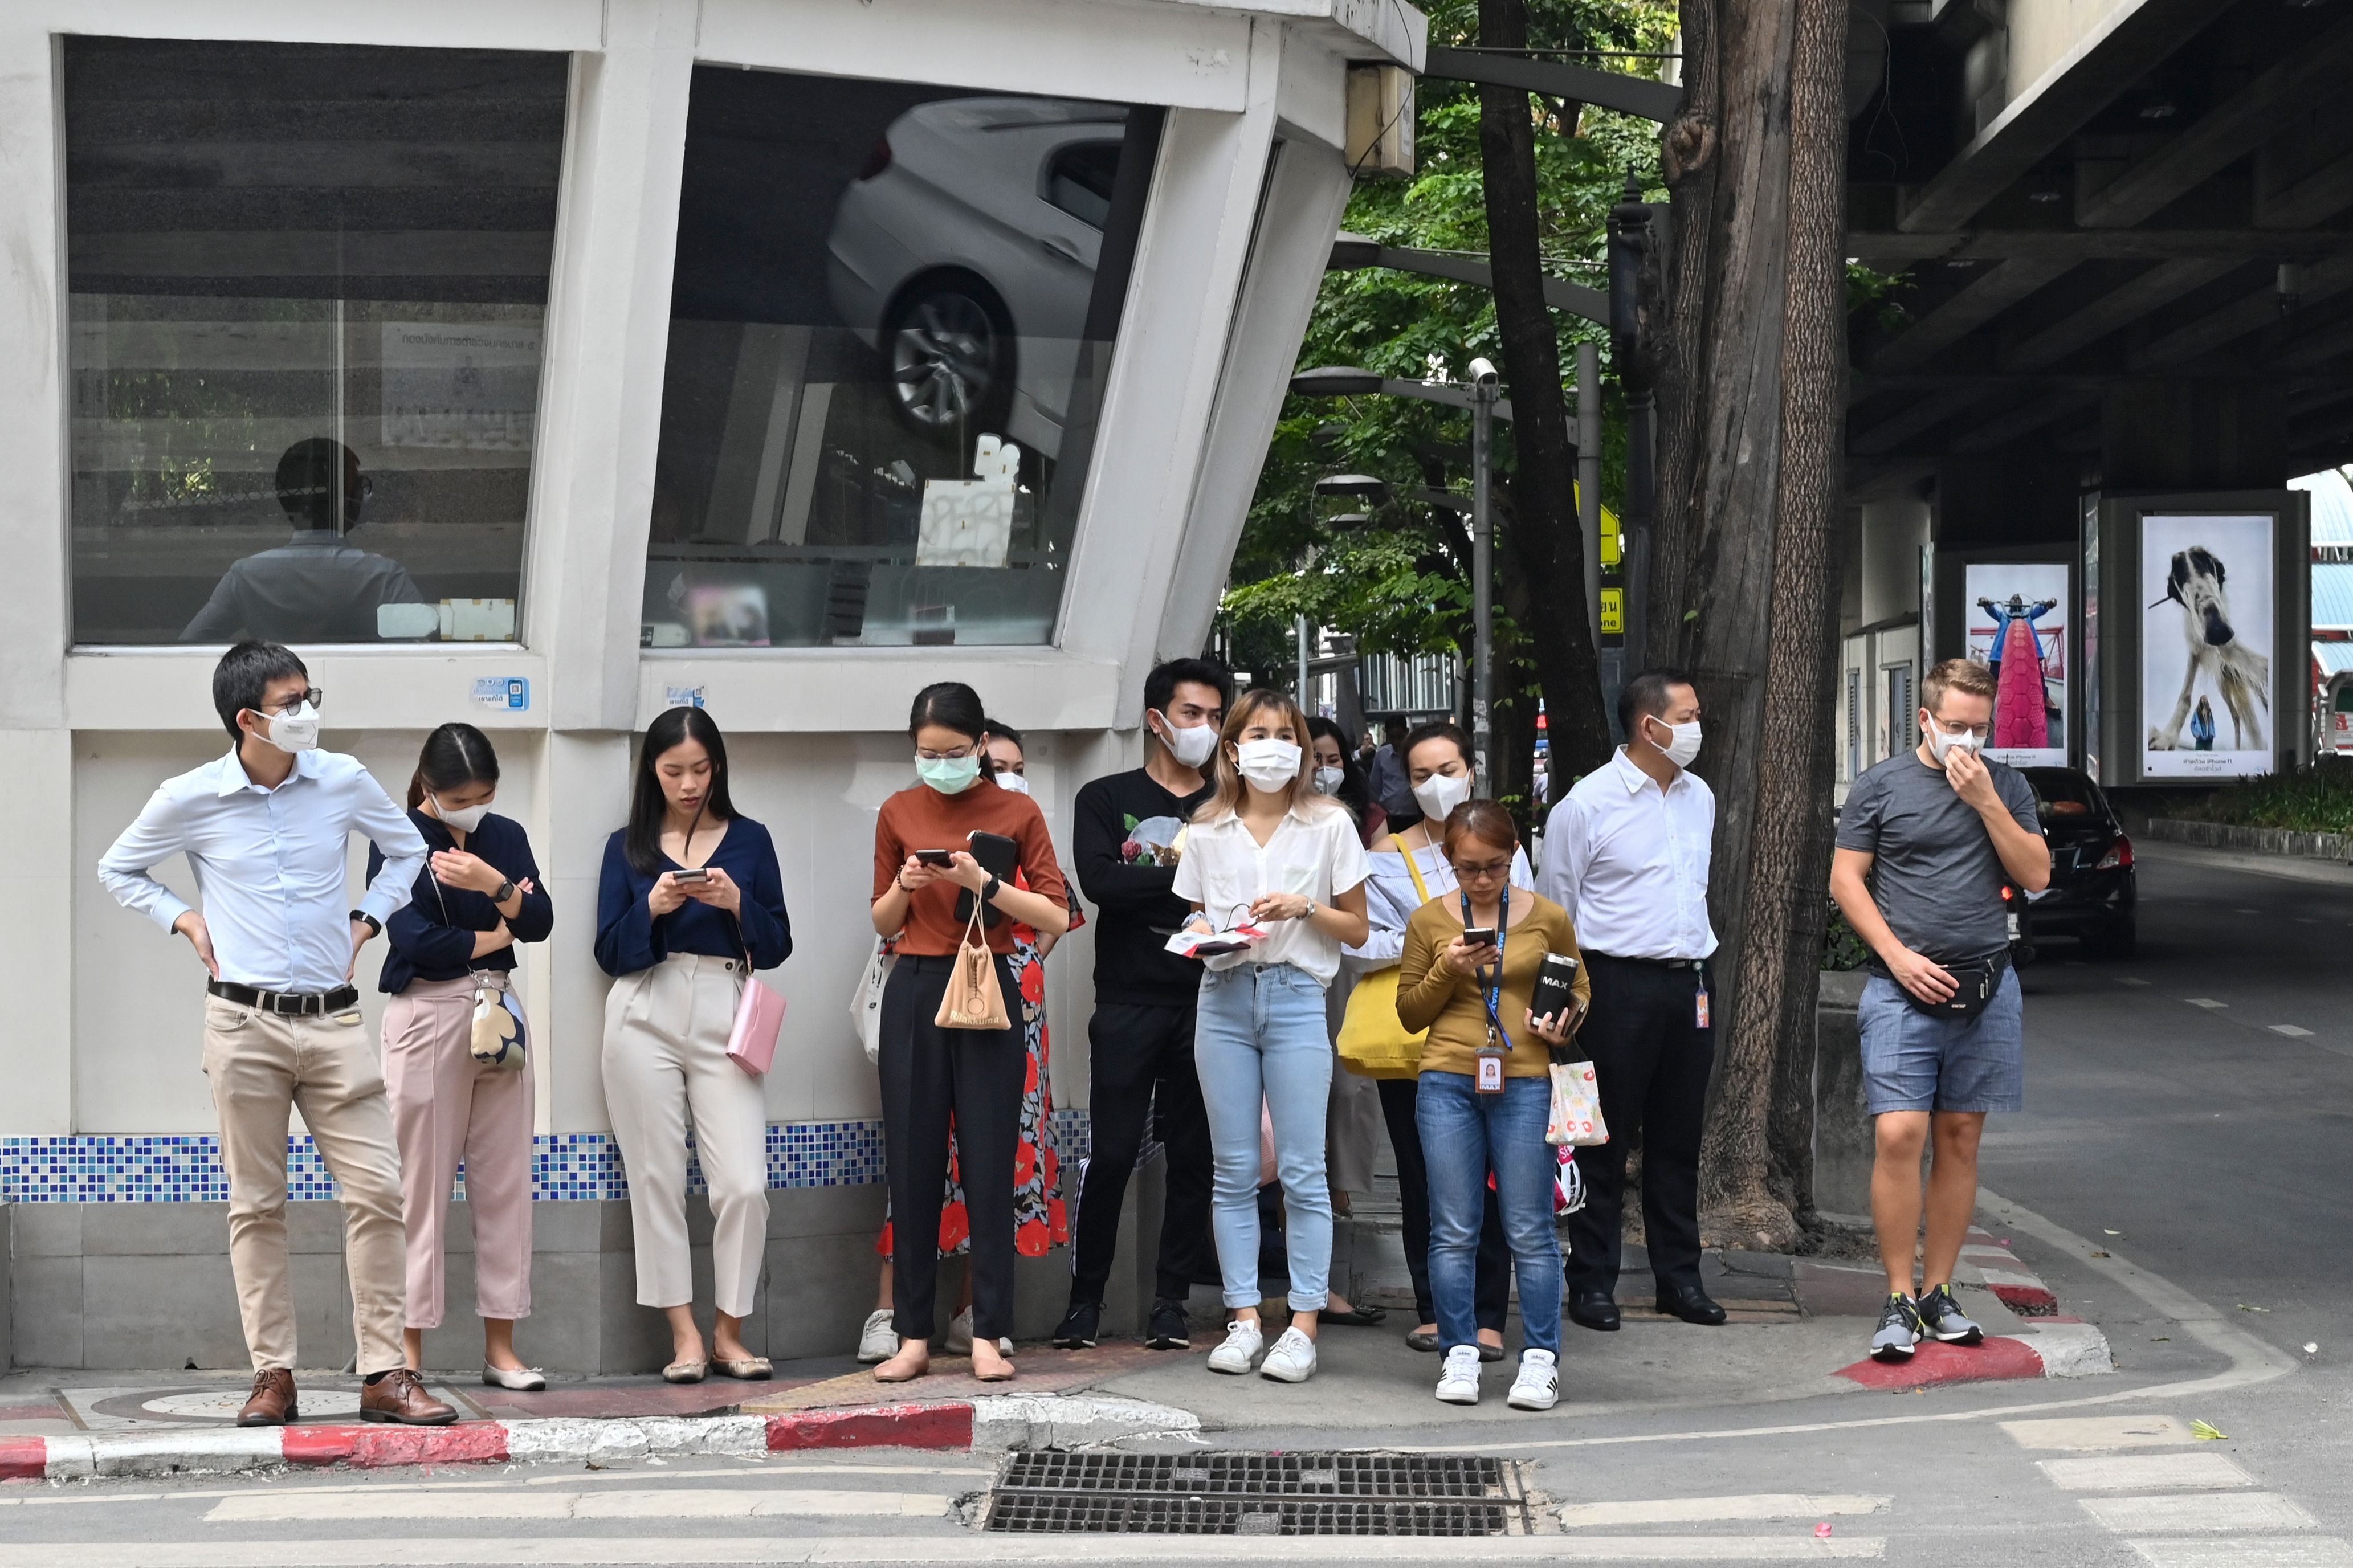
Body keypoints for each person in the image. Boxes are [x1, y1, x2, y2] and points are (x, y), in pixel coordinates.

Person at [95, 641, 454, 1426]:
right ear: (247, 719)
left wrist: (369, 919)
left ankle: (385, 1374)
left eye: (310, 695)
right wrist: (183, 917)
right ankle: (273, 1374)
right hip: (242, 1021)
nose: (309, 713)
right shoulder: (190, 797)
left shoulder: (343, 779)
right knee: (256, 1205)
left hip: (334, 1022)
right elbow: (118, 869)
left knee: (379, 1193)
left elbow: (408, 849)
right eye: (292, 703)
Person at [1830, 657, 2048, 1363]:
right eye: (1954, 726)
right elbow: (1846, 879)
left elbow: (2036, 874)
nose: (1967, 741)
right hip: (1903, 985)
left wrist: (1986, 799)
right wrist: (1894, 956)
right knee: (1899, 1132)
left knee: (1959, 1136)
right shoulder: (1881, 786)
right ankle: (1897, 1294)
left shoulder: (2005, 786)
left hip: (1986, 982)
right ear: (1924, 718)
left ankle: (1939, 1290)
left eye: (1978, 729)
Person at [868, 683, 1070, 1383]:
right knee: (914, 1162)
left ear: (981, 745)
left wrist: (984, 881)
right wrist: (907, 880)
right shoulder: (897, 810)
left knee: (989, 1158)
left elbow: (1053, 912)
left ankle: (989, 1332)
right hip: (917, 984)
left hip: (992, 982)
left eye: (953, 752)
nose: (940, 764)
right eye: (927, 753)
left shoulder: (1017, 810)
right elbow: (882, 921)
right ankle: (912, 1337)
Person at [1172, 688, 1371, 1385]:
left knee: (1302, 1170)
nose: (1273, 745)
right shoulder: (1205, 828)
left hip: (1294, 998)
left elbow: (1358, 928)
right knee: (1230, 1170)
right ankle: (1244, 1317)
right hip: (1221, 996)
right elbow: (1198, 918)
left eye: (1284, 733)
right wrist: (1202, 936)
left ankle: (1304, 1324)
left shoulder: (1329, 825)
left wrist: (1303, 906)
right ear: (1232, 747)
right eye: (1257, 733)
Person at [594, 707, 792, 1383]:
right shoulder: (627, 846)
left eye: (700, 769)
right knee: (655, 1179)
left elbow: (779, 943)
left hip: (725, 1005)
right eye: (674, 770)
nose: (688, 784)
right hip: (644, 1005)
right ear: (652, 770)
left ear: (719, 767)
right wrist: (648, 910)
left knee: (743, 1183)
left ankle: (729, 1331)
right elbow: (607, 952)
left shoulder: (751, 840)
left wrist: (739, 902)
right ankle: (684, 1335)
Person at [1538, 669, 1727, 1333]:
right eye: (1689, 714)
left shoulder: (1699, 796)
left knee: (1678, 1140)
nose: (1699, 726)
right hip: (1613, 986)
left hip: (1689, 982)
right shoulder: (1585, 805)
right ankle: (1591, 1283)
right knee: (1600, 1141)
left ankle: (1680, 1278)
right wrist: (1556, 1007)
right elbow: (1554, 911)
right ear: (1651, 726)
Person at [1053, 660, 1228, 1353]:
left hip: (1208, 995)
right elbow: (1100, 883)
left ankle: (1171, 1303)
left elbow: (1239, 893)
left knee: (1193, 1154)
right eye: (1192, 714)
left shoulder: (1227, 801)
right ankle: (1084, 1302)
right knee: (1113, 1152)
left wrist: (1149, 881)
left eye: (1216, 717)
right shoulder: (1104, 795)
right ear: (1156, 719)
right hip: (1126, 998)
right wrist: (1188, 883)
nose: (1205, 729)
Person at [371, 724, 553, 1387]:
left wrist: (492, 883)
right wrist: (492, 931)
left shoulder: (503, 837)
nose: (473, 805)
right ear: (429, 786)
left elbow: (540, 921)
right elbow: (411, 937)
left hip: (499, 1009)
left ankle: (502, 1346)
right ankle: (407, 1349)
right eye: (460, 796)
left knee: (505, 1179)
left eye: (485, 793)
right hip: (427, 1013)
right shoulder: (395, 835)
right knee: (417, 1187)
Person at [1343, 720, 1530, 1356]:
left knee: (1494, 1176)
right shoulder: (1384, 856)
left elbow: (1532, 926)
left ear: (1471, 771)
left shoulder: (1504, 844)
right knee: (1423, 1175)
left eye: (1447, 771)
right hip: (1417, 1035)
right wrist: (1433, 946)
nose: (1436, 785)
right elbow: (1360, 944)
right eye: (1421, 775)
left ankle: (1486, 1316)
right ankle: (1432, 1307)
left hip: (1495, 1035)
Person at [1396, 799, 1589, 1410]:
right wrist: (1449, 970)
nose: (1482, 880)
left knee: (1529, 1227)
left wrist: (1564, 1023)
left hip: (1526, 1076)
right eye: (1468, 868)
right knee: (1453, 1227)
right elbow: (1408, 1014)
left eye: (1495, 867)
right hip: (1447, 1079)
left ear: (1513, 859)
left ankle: (1539, 1360)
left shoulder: (1547, 917)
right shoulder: (1429, 921)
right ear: (1449, 862)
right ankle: (1459, 1352)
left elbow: (1578, 983)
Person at [181, 438, 426, 643]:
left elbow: (188, 648)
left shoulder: (246, 576)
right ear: (348, 501)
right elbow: (429, 654)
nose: (363, 495)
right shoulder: (385, 577)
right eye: (360, 486)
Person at [1307, 716, 1386, 847]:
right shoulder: (1281, 815)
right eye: (1315, 760)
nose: (1324, 769)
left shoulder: (1371, 817)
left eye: (1333, 761)